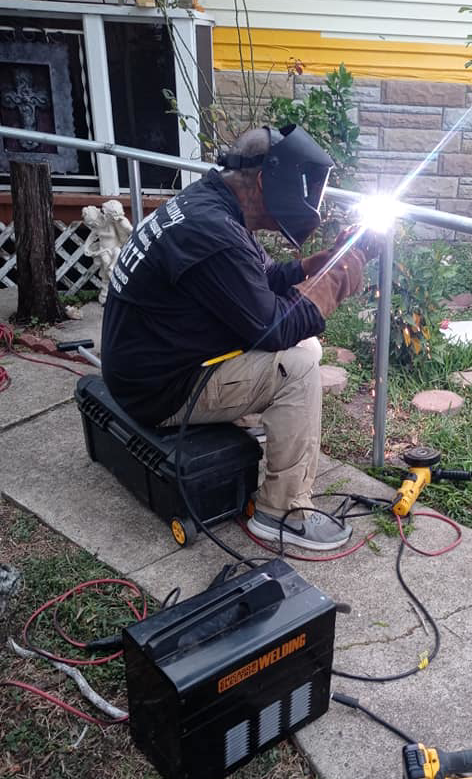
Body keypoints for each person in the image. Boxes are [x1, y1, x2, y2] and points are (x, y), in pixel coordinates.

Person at [101, 124, 376, 551]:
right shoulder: (213, 233)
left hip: (153, 360)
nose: (308, 202)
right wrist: (336, 281)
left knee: (306, 347)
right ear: (266, 180)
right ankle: (281, 514)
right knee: (297, 367)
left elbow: (261, 279)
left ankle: (259, 423)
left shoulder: (210, 204)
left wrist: (317, 265)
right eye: (300, 188)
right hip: (158, 390)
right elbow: (273, 327)